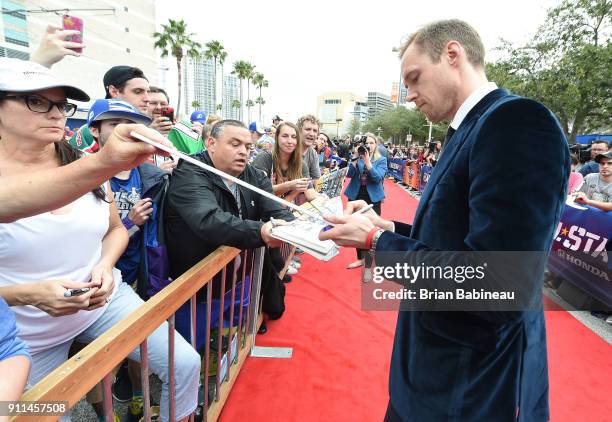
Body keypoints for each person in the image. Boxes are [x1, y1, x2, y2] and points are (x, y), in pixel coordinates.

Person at [320, 19, 569, 422]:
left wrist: (377, 244)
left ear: (453, 55)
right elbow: (451, 235)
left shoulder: (516, 123)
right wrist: (388, 229)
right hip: (436, 373)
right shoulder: (469, 129)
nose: (410, 96)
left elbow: (496, 283)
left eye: (414, 78)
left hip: (472, 387)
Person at [0, 59, 199, 422]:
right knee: (29, 414)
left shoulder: (83, 163)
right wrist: (28, 294)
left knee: (184, 362)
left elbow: (115, 229)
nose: (55, 113)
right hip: (26, 334)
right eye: (37, 102)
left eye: (61, 104)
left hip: (105, 301)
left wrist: (105, 267)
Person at [165, 120, 295, 345]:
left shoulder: (253, 175)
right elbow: (209, 220)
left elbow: (275, 208)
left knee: (228, 332)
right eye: (235, 144)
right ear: (211, 143)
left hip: (239, 274)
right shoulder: (189, 173)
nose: (243, 152)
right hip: (199, 284)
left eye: (247, 146)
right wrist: (262, 231)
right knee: (193, 347)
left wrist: (292, 227)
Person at [70, 65, 151, 153]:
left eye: (148, 92)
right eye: (138, 92)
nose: (147, 99)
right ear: (114, 91)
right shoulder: (85, 138)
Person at [344, 133, 387, 271]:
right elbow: (349, 174)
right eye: (366, 143)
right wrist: (355, 158)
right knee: (357, 228)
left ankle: (370, 262)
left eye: (372, 143)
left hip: (372, 198)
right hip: (356, 195)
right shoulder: (358, 157)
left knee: (372, 229)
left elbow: (377, 177)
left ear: (376, 145)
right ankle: (360, 259)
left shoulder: (381, 160)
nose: (368, 145)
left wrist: (368, 162)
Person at [297, 115, 322, 180]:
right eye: (308, 129)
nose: (311, 134)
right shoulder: (288, 149)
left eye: (315, 131)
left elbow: (316, 179)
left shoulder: (313, 153)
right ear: (298, 131)